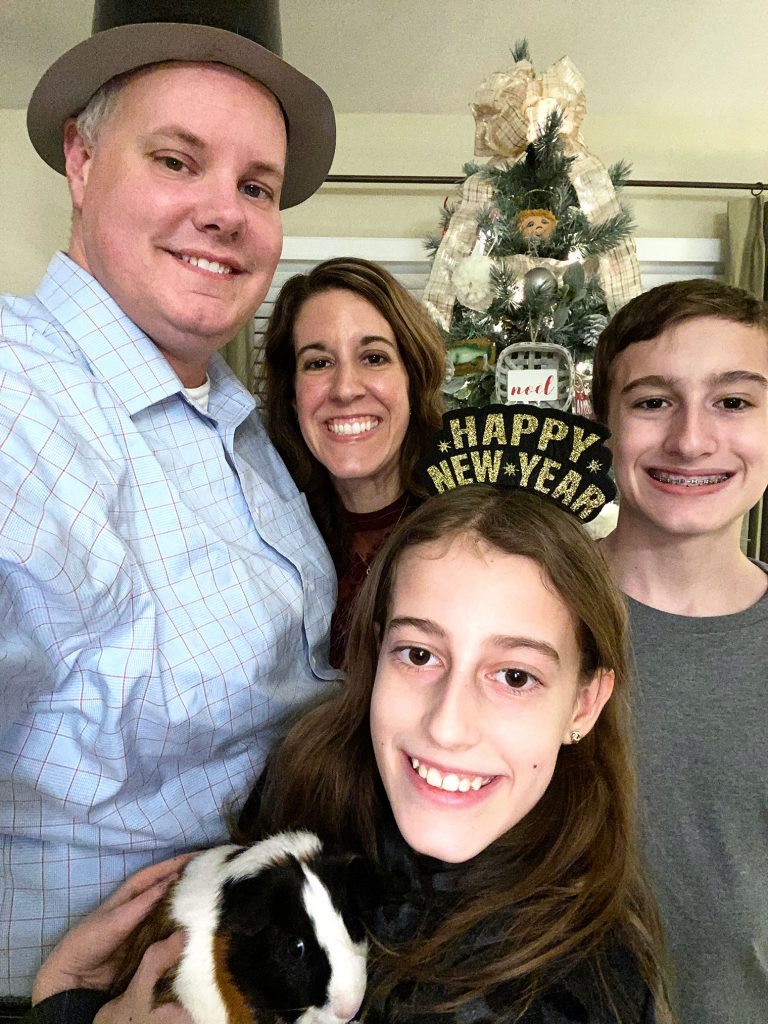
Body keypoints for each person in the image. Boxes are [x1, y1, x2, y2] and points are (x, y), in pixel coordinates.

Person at [25, 485, 672, 1024]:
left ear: (584, 703)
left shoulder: (570, 993)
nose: (448, 726)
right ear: (376, 650)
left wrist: (68, 1007)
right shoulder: (310, 801)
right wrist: (75, 996)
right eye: (419, 654)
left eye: (515, 676)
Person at [0, 0, 340, 1000]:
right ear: (81, 159)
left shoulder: (236, 422)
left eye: (256, 185)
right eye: (177, 161)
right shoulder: (21, 404)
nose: (225, 212)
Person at [591, 278, 768, 1024]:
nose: (691, 439)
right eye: (653, 401)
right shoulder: (527, 615)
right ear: (602, 420)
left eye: (733, 401)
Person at [260, 257, 445, 665]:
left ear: (413, 379)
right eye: (318, 363)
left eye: (374, 358)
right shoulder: (265, 535)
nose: (345, 389)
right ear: (292, 397)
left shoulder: (464, 528)